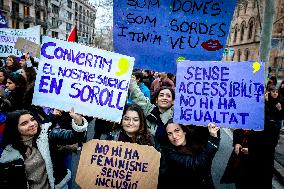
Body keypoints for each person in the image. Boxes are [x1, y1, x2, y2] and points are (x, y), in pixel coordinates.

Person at [0, 108, 88, 189]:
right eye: (24, 123)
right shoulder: (8, 154)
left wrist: (78, 122)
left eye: (32, 119)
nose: (32, 124)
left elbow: (74, 137)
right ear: (14, 129)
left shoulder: (46, 134)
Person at [158, 120, 220, 189]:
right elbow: (196, 164)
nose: (174, 136)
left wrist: (213, 130)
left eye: (177, 130)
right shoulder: (168, 152)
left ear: (184, 131)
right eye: (169, 133)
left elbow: (209, 133)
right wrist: (213, 139)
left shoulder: (195, 140)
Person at [129, 78, 175, 147]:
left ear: (173, 101)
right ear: (156, 100)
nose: (164, 98)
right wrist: (130, 79)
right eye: (161, 95)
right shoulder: (148, 109)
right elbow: (137, 95)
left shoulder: (177, 116)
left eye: (168, 96)